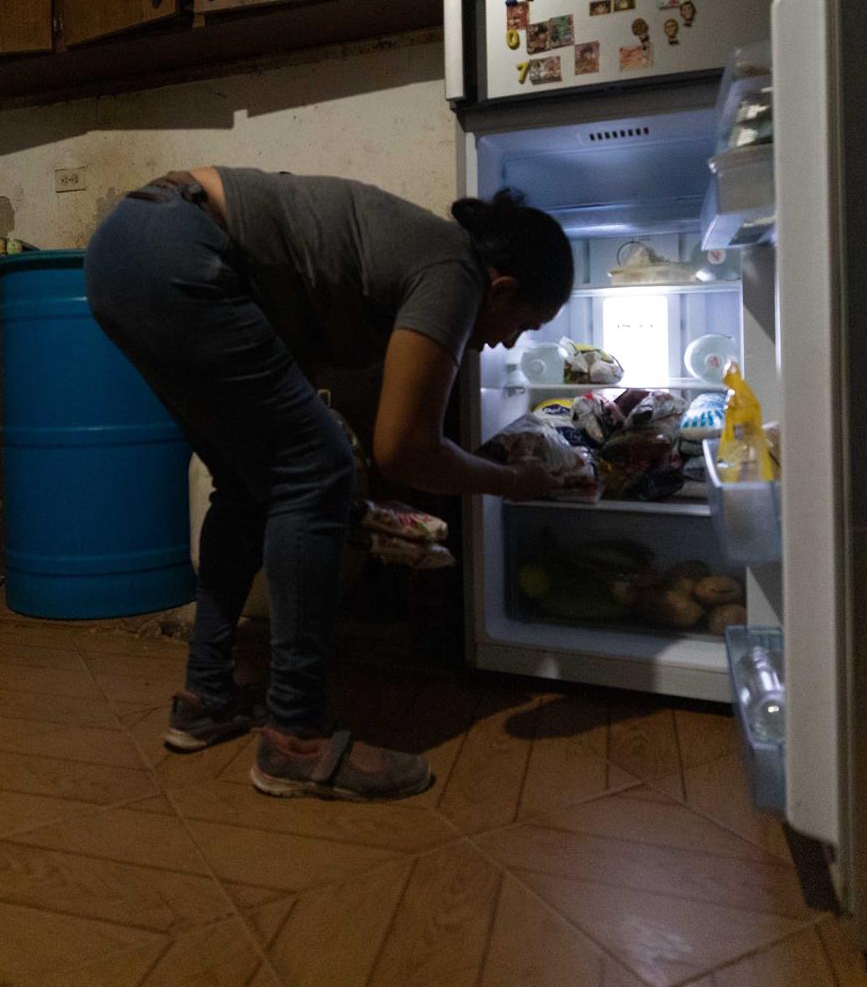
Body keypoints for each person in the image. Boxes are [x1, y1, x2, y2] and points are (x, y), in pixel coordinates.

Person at [85, 168, 573, 801]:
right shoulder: (455, 272)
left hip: (128, 247)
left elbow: (300, 382)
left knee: (247, 482)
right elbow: (404, 448)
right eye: (523, 325)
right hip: (177, 248)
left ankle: (205, 699)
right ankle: (296, 739)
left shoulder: (410, 257)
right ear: (501, 287)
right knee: (317, 470)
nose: (506, 342)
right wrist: (513, 481)